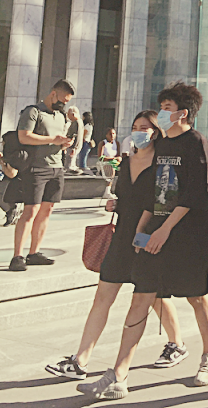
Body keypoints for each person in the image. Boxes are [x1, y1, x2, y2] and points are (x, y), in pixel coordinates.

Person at [78, 82, 208, 401]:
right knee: (141, 298)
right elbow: (157, 196)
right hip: (158, 232)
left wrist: (163, 230)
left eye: (168, 108)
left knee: (196, 297)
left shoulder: (194, 141)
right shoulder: (160, 147)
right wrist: (142, 232)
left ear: (183, 113)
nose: (162, 114)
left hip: (190, 234)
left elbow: (194, 194)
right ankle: (118, 375)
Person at [46, 111, 187, 381]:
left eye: (144, 128)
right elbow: (125, 196)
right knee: (103, 296)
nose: (138, 132)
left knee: (153, 297)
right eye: (135, 127)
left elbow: (162, 205)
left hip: (148, 238)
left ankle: (176, 343)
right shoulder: (126, 161)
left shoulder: (165, 164)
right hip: (121, 237)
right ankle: (80, 360)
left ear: (156, 132)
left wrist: (143, 235)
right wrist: (115, 204)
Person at [10, 80, 74, 271]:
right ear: (53, 94)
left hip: (56, 167)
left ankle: (34, 252)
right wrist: (52, 140)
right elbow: (24, 136)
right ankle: (17, 255)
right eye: (62, 100)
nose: (64, 104)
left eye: (67, 101)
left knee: (47, 210)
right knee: (30, 210)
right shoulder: (33, 111)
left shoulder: (61, 116)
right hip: (36, 168)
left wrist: (63, 144)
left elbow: (54, 140)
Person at [65, 107, 84, 173]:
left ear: (73, 114)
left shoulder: (76, 122)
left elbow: (75, 135)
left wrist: (73, 147)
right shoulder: (79, 122)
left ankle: (71, 171)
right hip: (75, 145)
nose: (67, 116)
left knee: (70, 161)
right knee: (72, 160)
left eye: (68, 114)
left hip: (73, 145)